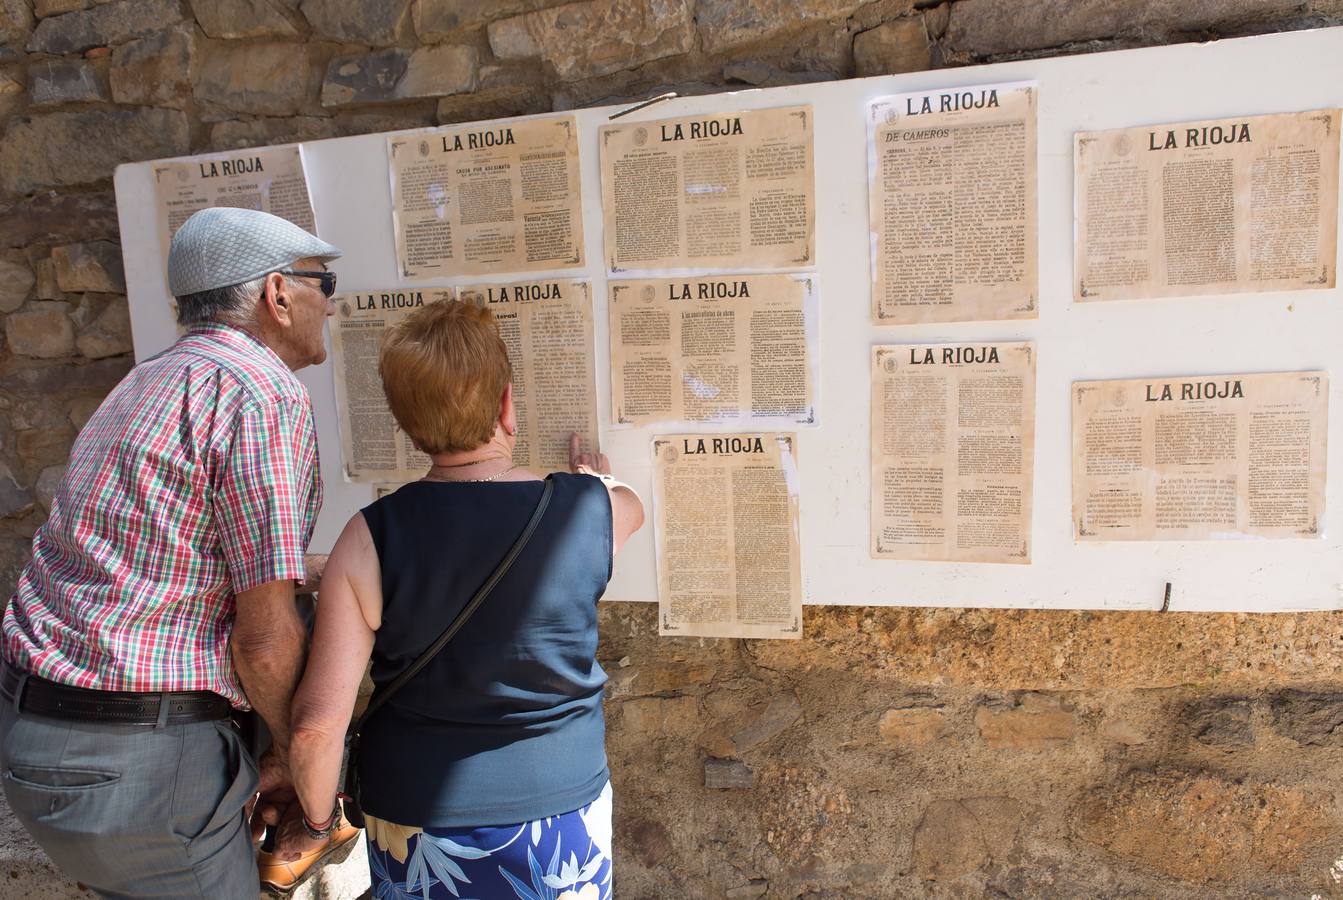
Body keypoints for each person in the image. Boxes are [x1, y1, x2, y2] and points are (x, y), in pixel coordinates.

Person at [0, 207, 358, 898]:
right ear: (278, 294)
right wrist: (290, 754)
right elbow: (262, 638)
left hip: (35, 742)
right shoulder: (260, 395)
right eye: (326, 284)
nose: (332, 306)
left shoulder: (145, 381)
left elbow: (158, 554)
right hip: (141, 771)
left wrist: (322, 572)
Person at [278, 299, 644, 899]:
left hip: (417, 820)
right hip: (561, 810)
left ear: (405, 421)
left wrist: (319, 823)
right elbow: (628, 501)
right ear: (506, 405)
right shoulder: (585, 510)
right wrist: (596, 479)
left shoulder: (368, 538)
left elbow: (317, 729)